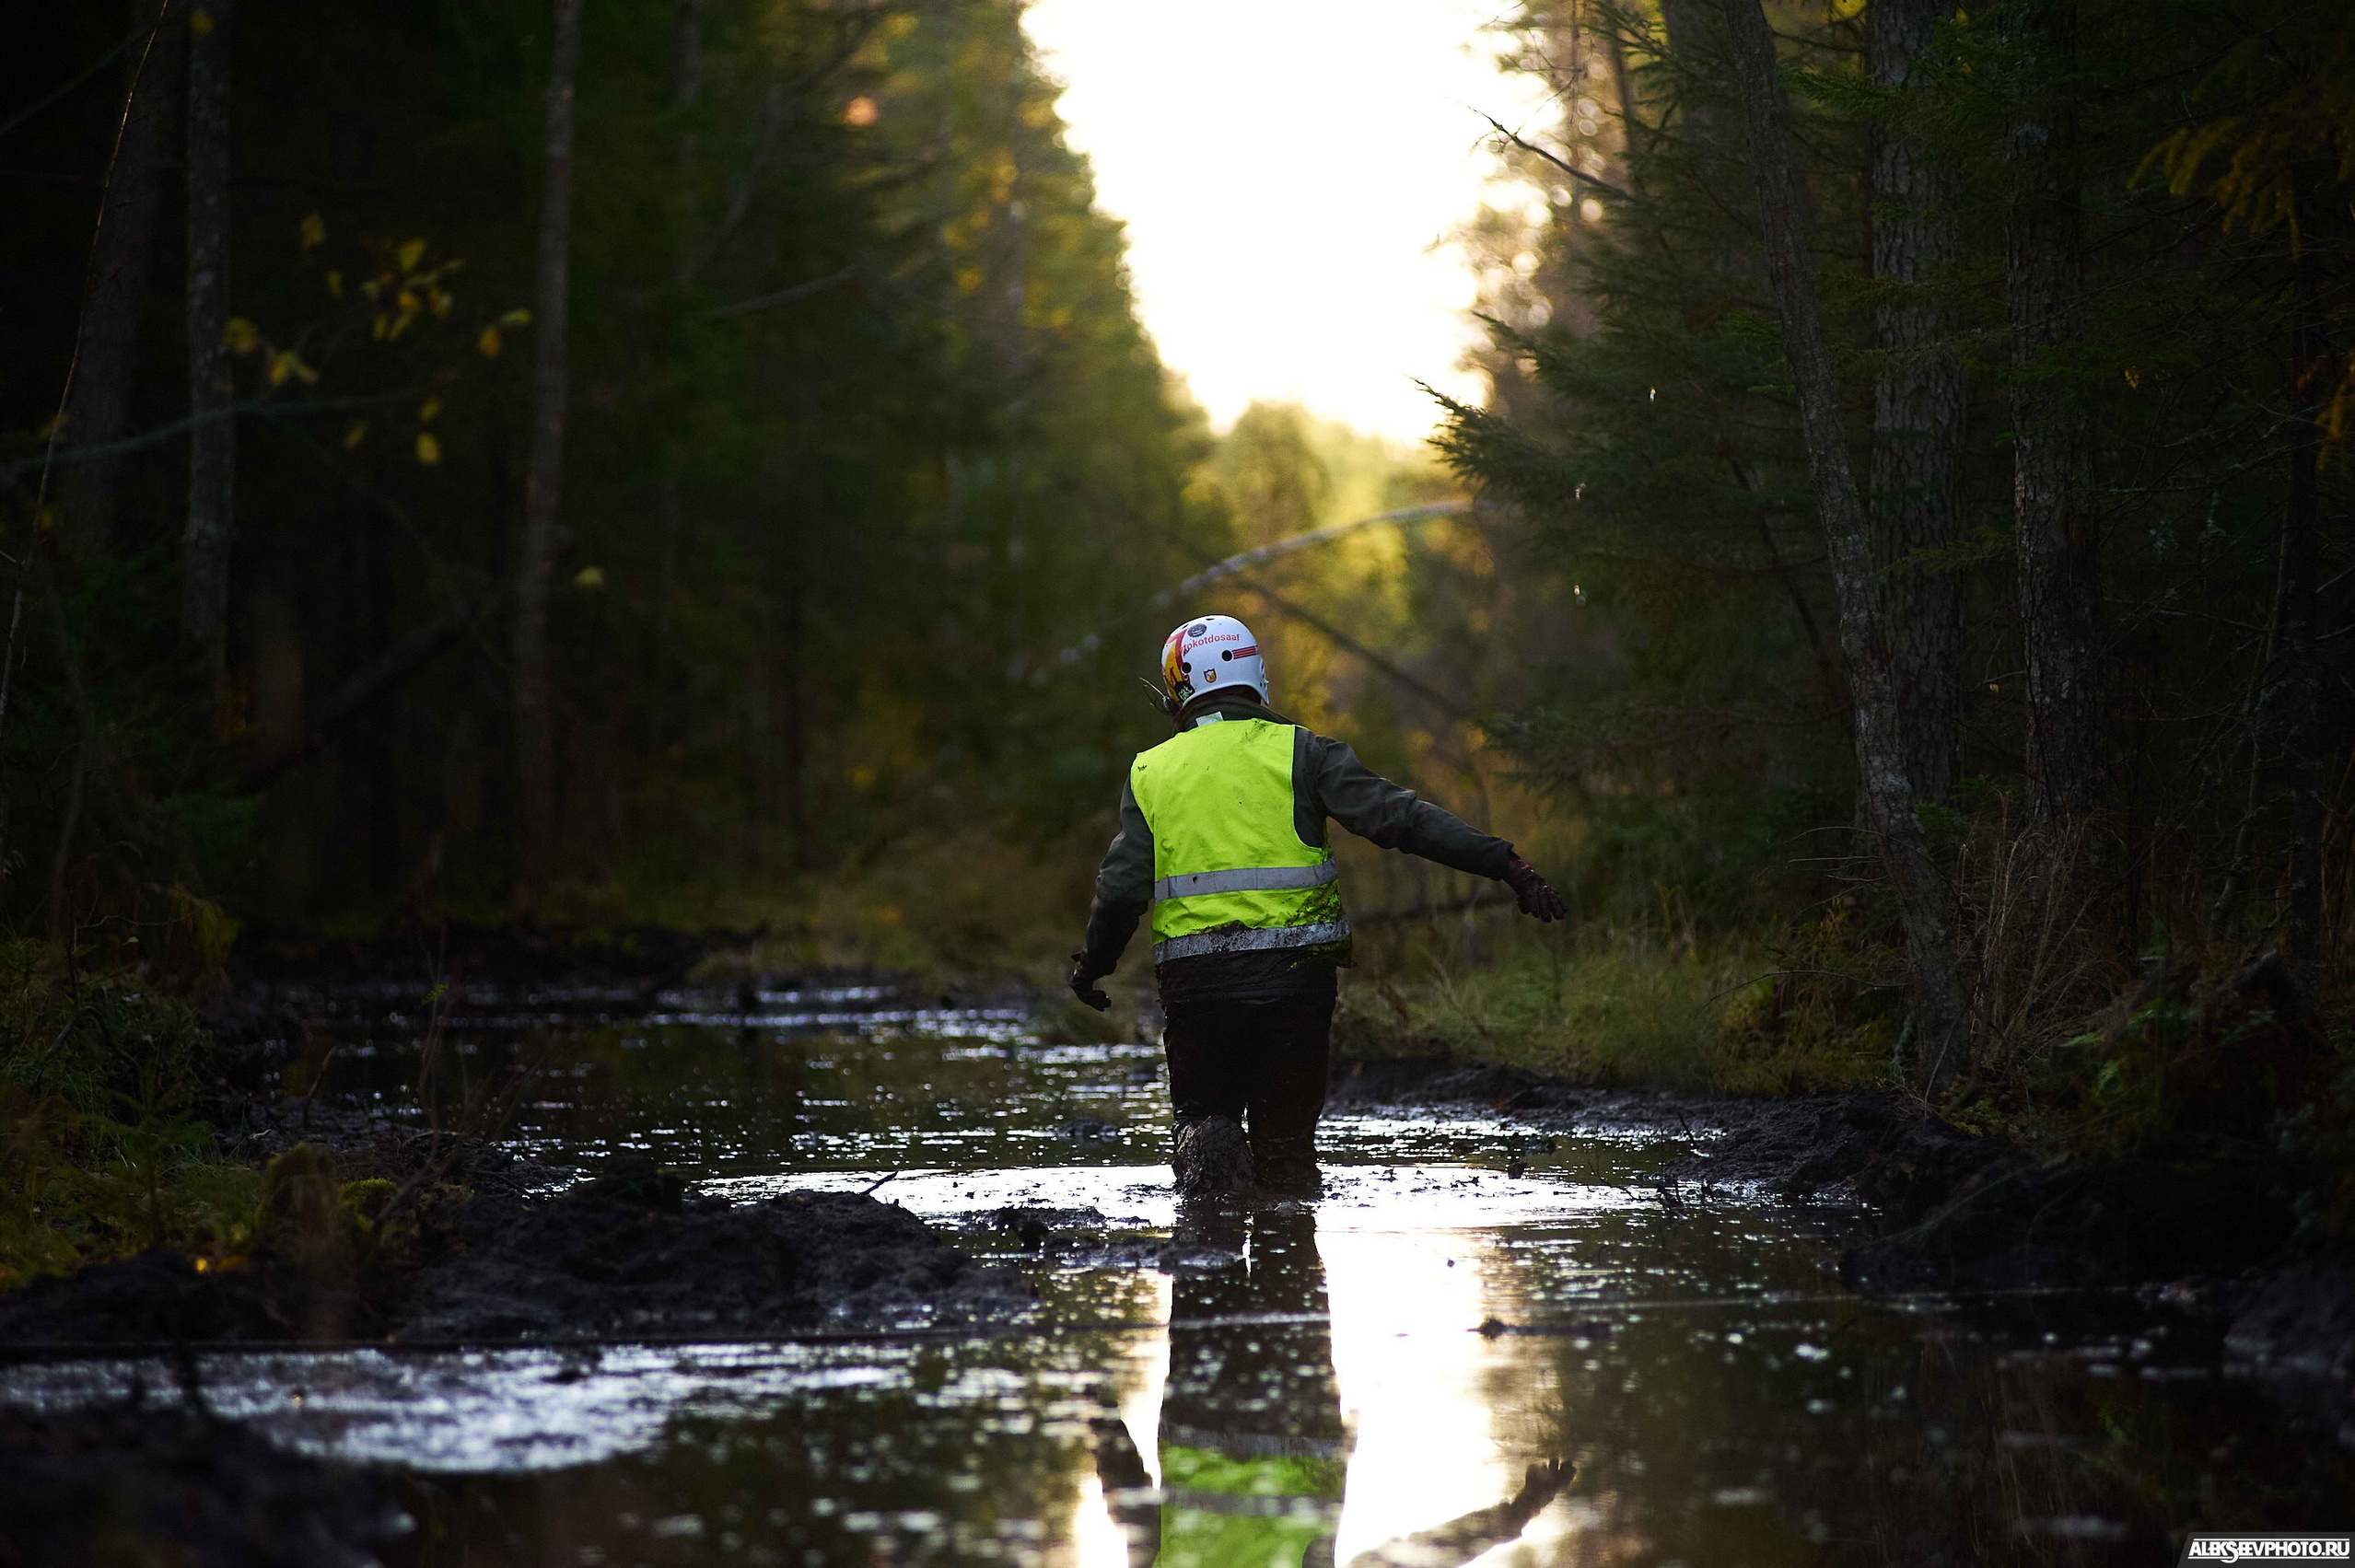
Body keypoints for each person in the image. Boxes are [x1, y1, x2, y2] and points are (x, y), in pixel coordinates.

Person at [1068, 613, 1566, 1198]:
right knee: (1288, 1158)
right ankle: (1290, 1255)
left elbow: (1123, 887)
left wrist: (1093, 966)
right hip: (1296, 987)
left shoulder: (1151, 770)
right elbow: (1402, 819)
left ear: (1182, 687)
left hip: (1198, 988)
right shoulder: (1304, 752)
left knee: (1204, 1124)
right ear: (1256, 677)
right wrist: (1505, 864)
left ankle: (1208, 1198)